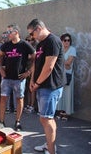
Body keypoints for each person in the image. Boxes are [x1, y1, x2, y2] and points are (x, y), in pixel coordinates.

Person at [27, 18, 65, 154]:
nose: (32, 37)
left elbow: (49, 67)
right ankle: (49, 145)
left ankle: (51, 150)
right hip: (42, 86)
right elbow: (37, 64)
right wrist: (32, 80)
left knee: (46, 118)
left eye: (32, 34)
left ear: (38, 29)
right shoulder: (41, 44)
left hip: (50, 86)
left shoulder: (52, 41)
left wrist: (37, 83)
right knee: (47, 118)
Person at [0, 24, 35, 131]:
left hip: (19, 78)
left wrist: (29, 71)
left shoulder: (25, 45)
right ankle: (1, 121)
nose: (7, 34)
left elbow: (35, 57)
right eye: (7, 32)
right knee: (3, 98)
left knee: (19, 99)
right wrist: (0, 68)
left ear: (16, 32)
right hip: (6, 78)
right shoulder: (6, 45)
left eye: (9, 32)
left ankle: (17, 122)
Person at [56, 33, 76, 120]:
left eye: (68, 40)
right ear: (61, 41)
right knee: (61, 94)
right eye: (65, 40)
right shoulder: (59, 49)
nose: (67, 42)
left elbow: (69, 63)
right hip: (60, 74)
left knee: (67, 94)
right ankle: (61, 111)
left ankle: (67, 113)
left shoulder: (72, 49)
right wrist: (63, 62)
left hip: (68, 74)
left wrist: (60, 60)